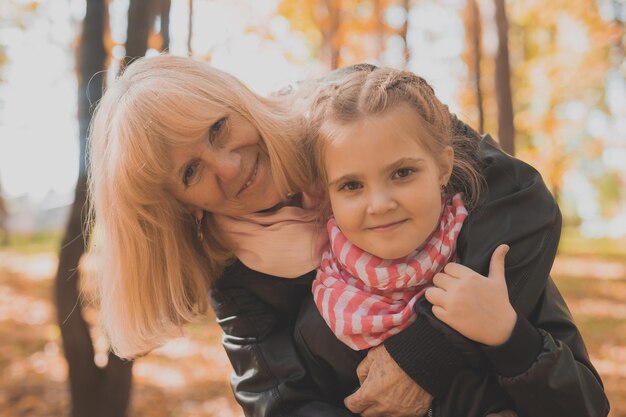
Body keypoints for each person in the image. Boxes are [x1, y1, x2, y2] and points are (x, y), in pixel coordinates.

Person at [87, 55, 609, 417]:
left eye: (219, 128)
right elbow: (283, 405)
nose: (227, 166)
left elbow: (518, 199)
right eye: (191, 172)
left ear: (237, 100)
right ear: (180, 204)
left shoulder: (358, 107)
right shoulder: (240, 280)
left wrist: (424, 356)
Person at [286, 67, 607, 417]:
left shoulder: (495, 263)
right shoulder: (319, 322)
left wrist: (510, 337)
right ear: (327, 194)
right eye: (351, 185)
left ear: (442, 166)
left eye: (402, 173)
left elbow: (587, 406)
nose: (379, 204)